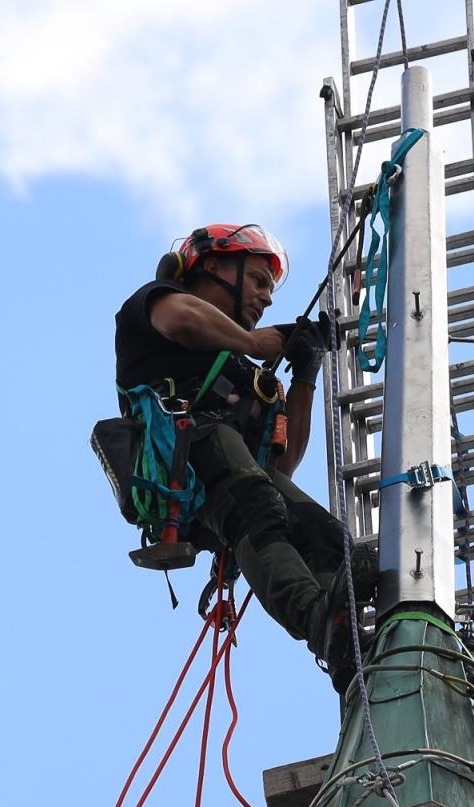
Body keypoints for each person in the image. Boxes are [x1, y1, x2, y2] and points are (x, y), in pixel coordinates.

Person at [113, 223, 372, 691]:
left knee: (326, 535)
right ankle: (316, 618)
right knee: (255, 499)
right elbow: (183, 319)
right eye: (257, 281)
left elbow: (283, 462)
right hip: (190, 461)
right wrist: (257, 342)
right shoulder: (152, 306)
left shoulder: (240, 369)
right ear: (213, 267)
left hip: (235, 474)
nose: (266, 299)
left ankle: (344, 631)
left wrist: (305, 371)